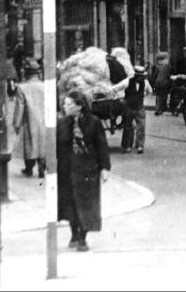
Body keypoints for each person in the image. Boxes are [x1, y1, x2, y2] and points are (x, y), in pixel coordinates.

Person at [57, 88, 111, 252]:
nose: (65, 107)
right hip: (67, 168)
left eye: (68, 104)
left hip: (88, 168)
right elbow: (56, 147)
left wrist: (104, 168)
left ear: (79, 106)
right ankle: (74, 233)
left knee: (86, 204)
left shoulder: (93, 122)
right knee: (70, 202)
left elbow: (102, 145)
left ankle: (83, 237)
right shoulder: (62, 123)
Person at [12, 58, 46, 178]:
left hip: (29, 119)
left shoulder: (22, 87)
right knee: (43, 141)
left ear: (27, 73)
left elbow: (20, 106)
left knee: (29, 143)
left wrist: (16, 123)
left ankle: (29, 168)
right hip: (44, 119)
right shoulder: (45, 86)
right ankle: (42, 166)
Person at [122, 65, 151, 154]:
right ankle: (127, 145)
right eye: (138, 76)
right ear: (135, 75)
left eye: (141, 76)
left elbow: (150, 91)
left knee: (141, 126)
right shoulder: (128, 81)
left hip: (139, 107)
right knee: (128, 126)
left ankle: (140, 145)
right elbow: (119, 88)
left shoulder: (145, 83)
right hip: (129, 107)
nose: (140, 78)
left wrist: (144, 95)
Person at [151, 51, 171, 115]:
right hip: (164, 84)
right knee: (163, 96)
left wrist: (154, 83)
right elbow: (169, 76)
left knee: (159, 96)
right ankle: (159, 109)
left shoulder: (157, 67)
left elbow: (154, 76)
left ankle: (159, 109)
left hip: (158, 83)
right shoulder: (167, 67)